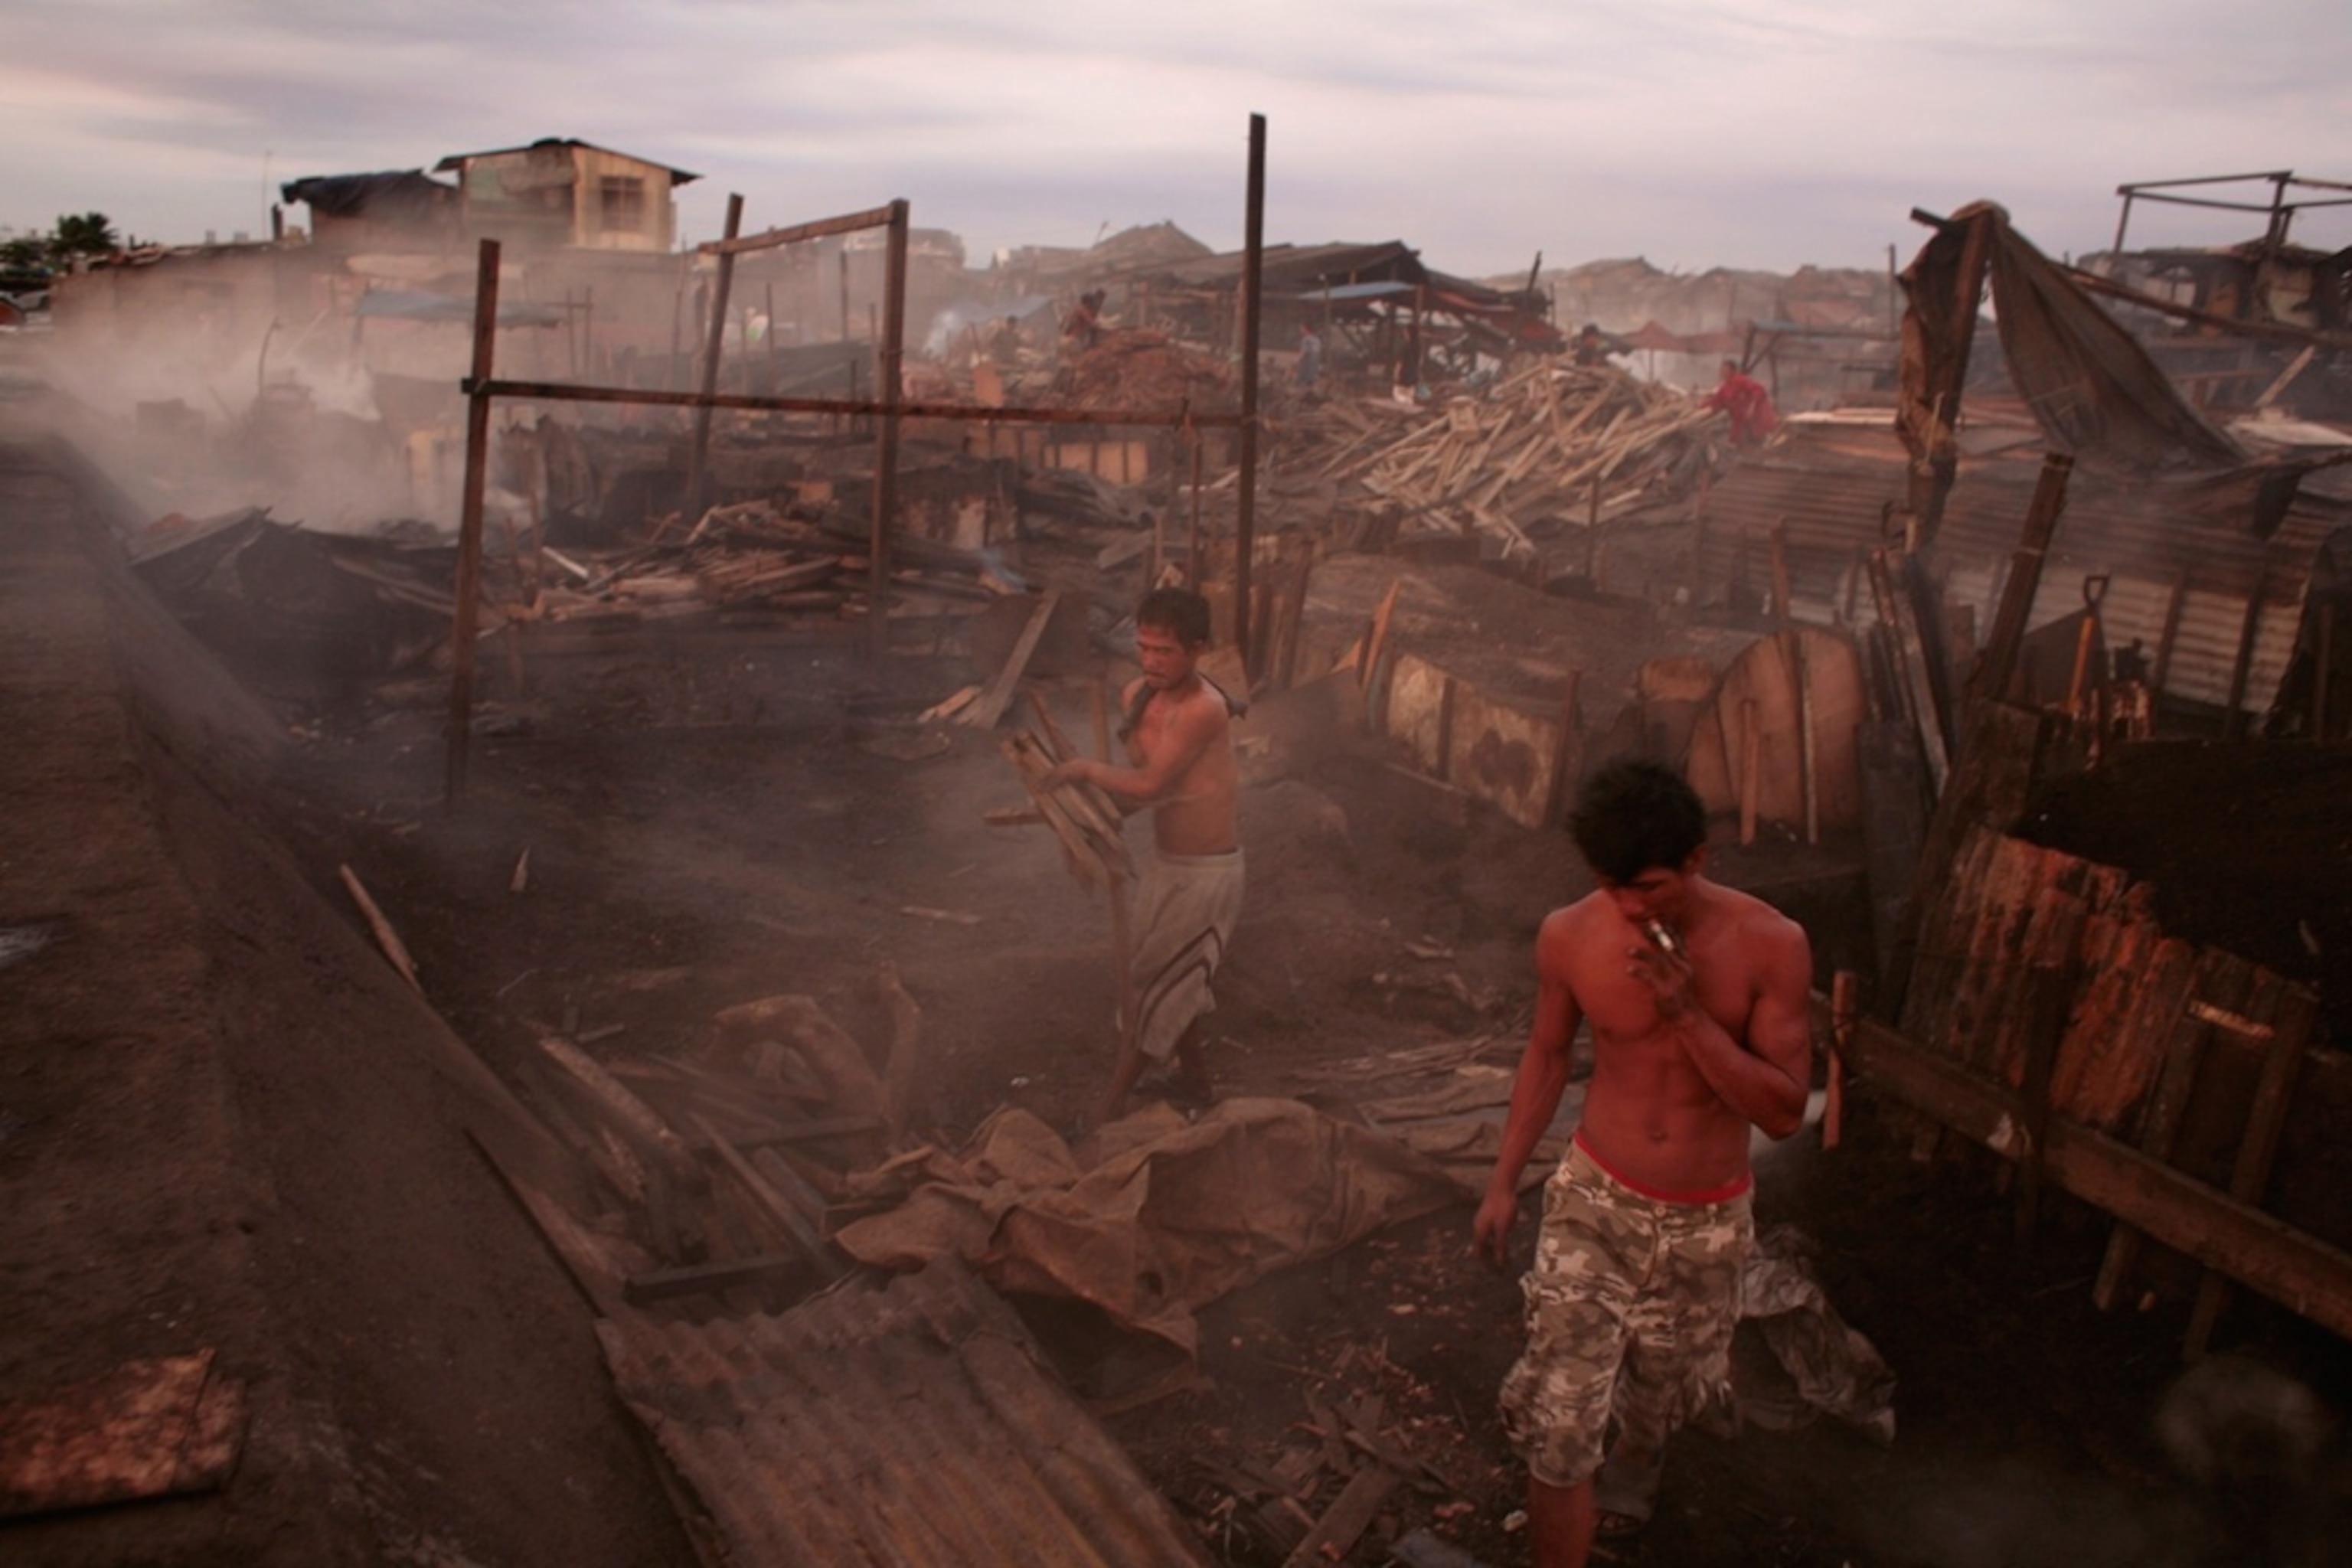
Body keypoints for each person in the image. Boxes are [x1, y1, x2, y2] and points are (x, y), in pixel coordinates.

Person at [1472, 759, 1813, 1566]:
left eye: (1652, 886)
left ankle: (1641, 1449)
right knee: (1561, 1422)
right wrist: (1501, 1182)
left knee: (1666, 1384)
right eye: (1611, 884)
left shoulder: (1771, 944)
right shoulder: (1570, 933)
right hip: (1597, 1197)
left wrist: (1688, 1013)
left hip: (1707, 1216)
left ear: (1698, 858)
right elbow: (1548, 1055)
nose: (1630, 906)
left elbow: (1784, 1111)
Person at [1042, 586, 1243, 1125]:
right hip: (1166, 862)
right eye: (1145, 648)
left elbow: (1151, 784)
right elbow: (1135, 776)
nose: (1151, 661)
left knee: (1153, 983)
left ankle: (1110, 1105)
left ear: (1198, 649)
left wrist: (1083, 771)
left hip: (1207, 873)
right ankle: (1196, 1082)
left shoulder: (1204, 709)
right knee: (1171, 977)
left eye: (1165, 651)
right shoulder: (1140, 695)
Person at [1702, 358, 1779, 446]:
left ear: (1732, 370)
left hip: (1754, 415)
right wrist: (1701, 406)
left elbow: (1758, 391)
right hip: (1739, 419)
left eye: (1724, 369)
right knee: (1737, 441)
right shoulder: (1726, 387)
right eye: (1721, 369)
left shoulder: (1741, 380)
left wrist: (1751, 408)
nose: (1721, 371)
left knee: (1760, 439)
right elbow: (1717, 400)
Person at [1295, 322, 1324, 391]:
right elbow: (1319, 350)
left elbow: (1304, 352)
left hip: (1308, 360)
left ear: (1306, 329)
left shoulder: (1306, 339)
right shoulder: (1316, 339)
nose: (1300, 331)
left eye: (1301, 329)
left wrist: (1297, 360)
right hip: (1315, 361)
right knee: (1311, 379)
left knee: (1301, 380)